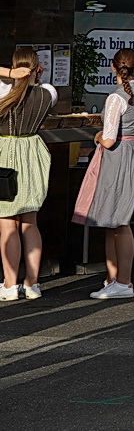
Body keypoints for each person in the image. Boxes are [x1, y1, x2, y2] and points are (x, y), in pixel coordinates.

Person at [73, 48, 134, 301]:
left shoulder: (116, 98)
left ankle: (123, 281)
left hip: (121, 155)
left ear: (113, 67)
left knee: (119, 219)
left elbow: (108, 140)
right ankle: (112, 278)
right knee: (112, 220)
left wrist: (96, 136)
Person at [0, 46, 54, 301]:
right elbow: (42, 89)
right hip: (32, 152)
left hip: (5, 154)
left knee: (8, 224)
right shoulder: (48, 93)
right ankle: (32, 284)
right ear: (37, 67)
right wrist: (27, 76)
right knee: (30, 223)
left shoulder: (3, 91)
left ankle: (10, 285)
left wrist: (10, 74)